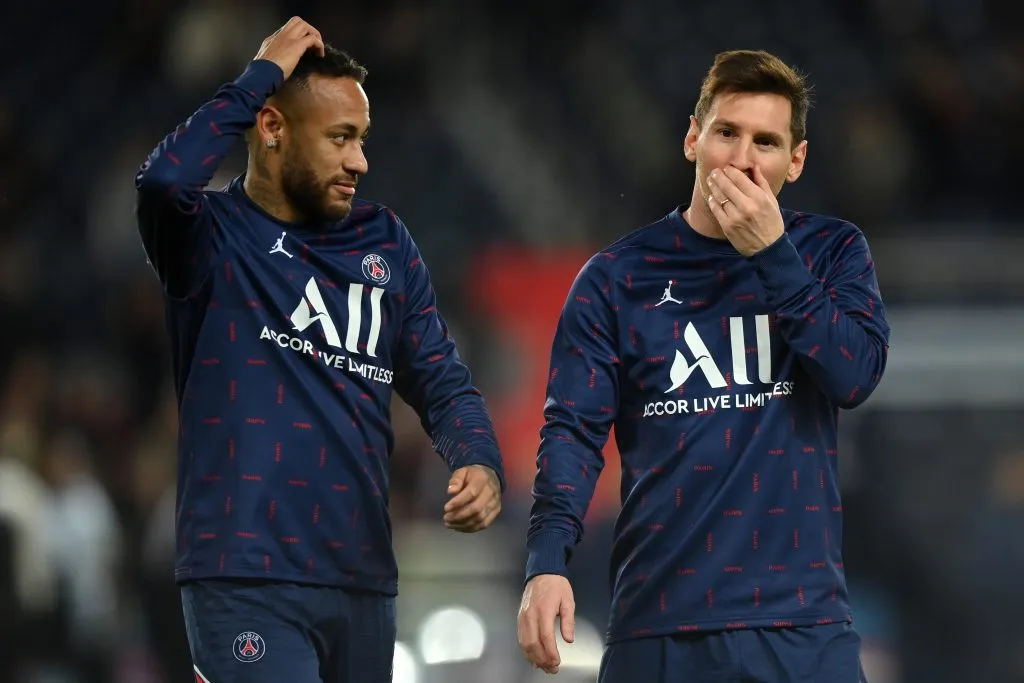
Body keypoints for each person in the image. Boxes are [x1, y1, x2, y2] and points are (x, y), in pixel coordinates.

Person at [135, 17, 505, 683]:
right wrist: (259, 77)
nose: (359, 161)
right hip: (245, 573)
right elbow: (163, 181)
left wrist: (477, 458)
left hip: (362, 577)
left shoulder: (385, 243)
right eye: (340, 138)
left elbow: (443, 382)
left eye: (361, 139)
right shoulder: (211, 241)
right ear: (272, 128)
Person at [517, 49, 890, 682]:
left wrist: (773, 254)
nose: (744, 159)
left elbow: (853, 376)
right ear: (693, 139)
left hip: (801, 627)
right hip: (659, 626)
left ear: (795, 161)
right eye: (727, 133)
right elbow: (573, 434)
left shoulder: (832, 251)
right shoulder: (616, 278)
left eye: (766, 142)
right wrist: (546, 562)